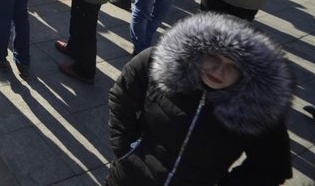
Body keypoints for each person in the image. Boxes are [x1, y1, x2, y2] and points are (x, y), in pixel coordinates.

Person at [107, 12, 294, 186]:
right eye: (214, 56)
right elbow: (121, 96)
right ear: (198, 51)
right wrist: (125, 148)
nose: (219, 70)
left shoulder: (259, 107)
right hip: (126, 178)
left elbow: (273, 168)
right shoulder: (156, 62)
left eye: (234, 66)